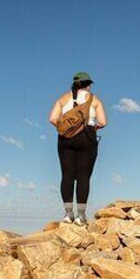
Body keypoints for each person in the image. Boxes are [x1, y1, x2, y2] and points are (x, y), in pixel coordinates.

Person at [48, 72, 107, 225]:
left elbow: (52, 118)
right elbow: (103, 122)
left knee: (67, 175)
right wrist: (92, 127)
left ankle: (68, 214)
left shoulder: (63, 98)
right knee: (83, 176)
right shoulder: (94, 100)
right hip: (87, 137)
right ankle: (81, 216)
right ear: (88, 84)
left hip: (65, 138)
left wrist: (66, 127)